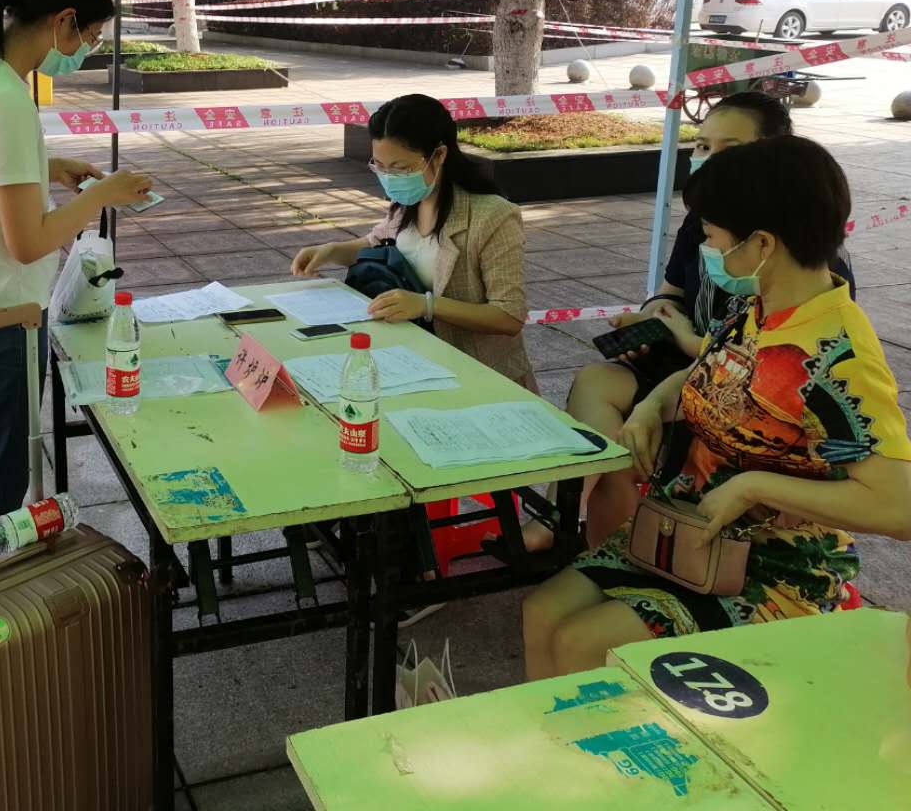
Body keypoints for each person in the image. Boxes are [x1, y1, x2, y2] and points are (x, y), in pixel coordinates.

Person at [522, 136, 911, 679]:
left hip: (771, 563)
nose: (705, 250)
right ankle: (560, 752)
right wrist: (653, 405)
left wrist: (755, 487)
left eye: (711, 237)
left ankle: (603, 755)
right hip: (686, 530)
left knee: (585, 643)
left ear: (762, 244)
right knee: (542, 611)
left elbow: (898, 508)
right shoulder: (758, 308)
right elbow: (711, 367)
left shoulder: (836, 357)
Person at [0, 0, 151, 529]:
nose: (88, 49)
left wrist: (49, 167)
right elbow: (28, 242)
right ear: (64, 21)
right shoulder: (6, 101)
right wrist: (101, 194)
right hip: (1, 304)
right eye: (92, 35)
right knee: (1, 467)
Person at [570, 92, 855, 546]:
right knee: (599, 394)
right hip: (696, 366)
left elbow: (758, 369)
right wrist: (653, 319)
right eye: (702, 146)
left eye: (730, 149)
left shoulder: (809, 281)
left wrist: (684, 339)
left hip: (732, 393)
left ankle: (638, 541)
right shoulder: (705, 218)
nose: (711, 248)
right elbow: (671, 293)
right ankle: (602, 531)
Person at [290, 93, 535, 389]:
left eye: (401, 168)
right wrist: (330, 251)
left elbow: (508, 316)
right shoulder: (408, 202)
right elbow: (375, 242)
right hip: (409, 358)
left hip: (475, 370)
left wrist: (427, 305)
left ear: (440, 155)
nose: (390, 177)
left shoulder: (492, 216)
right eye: (379, 166)